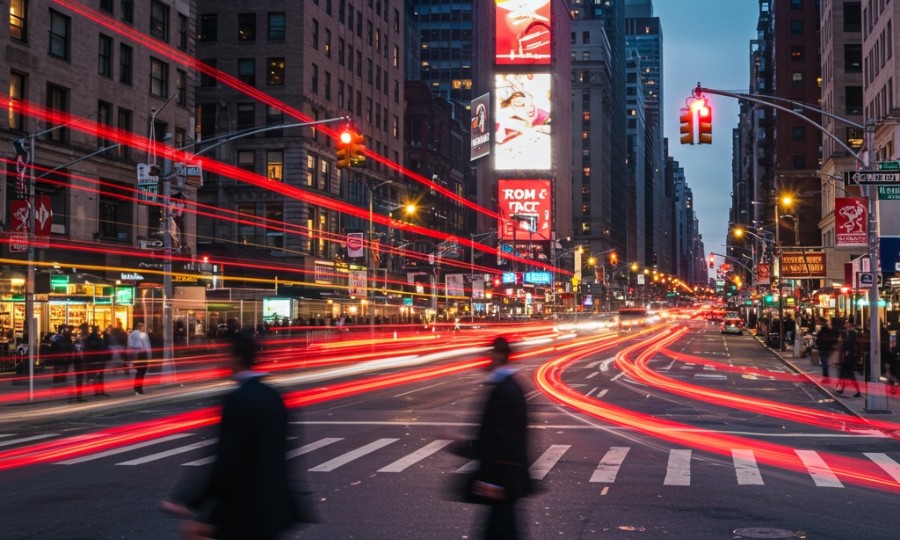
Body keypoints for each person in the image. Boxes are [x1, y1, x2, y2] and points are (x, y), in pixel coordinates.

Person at [161, 331, 311, 540]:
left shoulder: (236, 399)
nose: (221, 360)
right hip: (274, 509)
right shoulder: (276, 396)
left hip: (243, 511)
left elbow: (227, 462)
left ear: (237, 357)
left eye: (224, 353)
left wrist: (192, 503)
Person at [470, 336, 533, 540]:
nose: (485, 357)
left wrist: (493, 481)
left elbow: (500, 437)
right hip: (505, 478)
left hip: (501, 479)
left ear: (498, 355)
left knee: (502, 530)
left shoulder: (504, 390)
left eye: (489, 353)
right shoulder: (510, 386)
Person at [835, 319, 862, 397]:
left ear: (850, 324)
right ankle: (841, 389)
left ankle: (841, 389)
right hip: (848, 356)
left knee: (847, 374)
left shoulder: (852, 333)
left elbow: (851, 344)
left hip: (849, 356)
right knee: (847, 374)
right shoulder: (847, 333)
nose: (846, 324)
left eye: (847, 323)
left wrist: (847, 352)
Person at [83, 325, 110, 396]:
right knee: (100, 375)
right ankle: (101, 390)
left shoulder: (89, 339)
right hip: (99, 359)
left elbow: (86, 350)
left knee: (95, 375)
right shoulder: (99, 339)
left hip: (93, 359)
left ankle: (97, 391)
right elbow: (103, 348)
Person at [128, 322, 152, 395]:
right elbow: (147, 346)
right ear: (142, 327)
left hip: (136, 355)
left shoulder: (132, 334)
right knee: (142, 372)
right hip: (143, 354)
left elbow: (130, 344)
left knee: (138, 372)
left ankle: (137, 388)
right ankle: (139, 388)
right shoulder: (144, 335)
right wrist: (149, 357)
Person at [814, 317, 839, 384]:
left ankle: (826, 378)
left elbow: (817, 341)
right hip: (829, 349)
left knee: (824, 364)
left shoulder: (821, 333)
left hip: (823, 350)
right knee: (827, 364)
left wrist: (818, 346)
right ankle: (827, 378)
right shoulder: (832, 331)